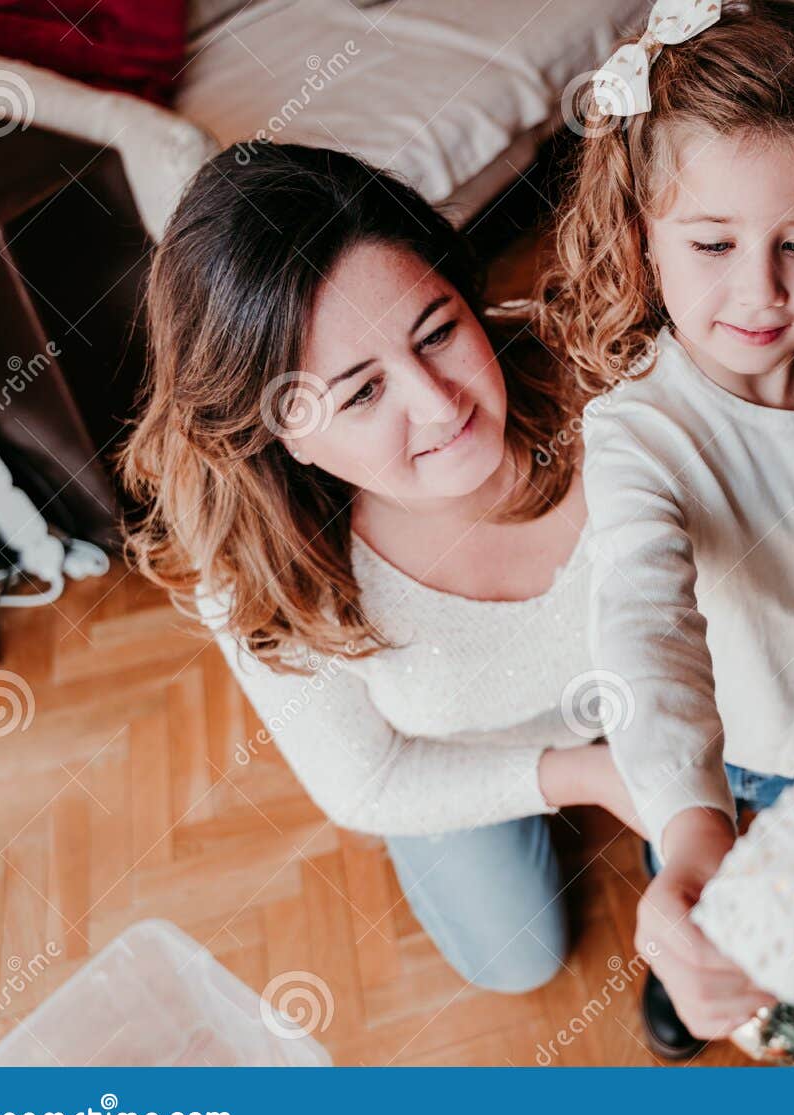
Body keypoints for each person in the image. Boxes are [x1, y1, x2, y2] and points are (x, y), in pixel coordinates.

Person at [538, 0, 794, 1057]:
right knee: (709, 905)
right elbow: (644, 618)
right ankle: (683, 992)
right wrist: (687, 824)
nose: (761, 290)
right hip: (720, 758)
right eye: (714, 242)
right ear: (642, 233)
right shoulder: (640, 430)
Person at [121, 143, 639, 998]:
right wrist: (586, 774)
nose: (441, 406)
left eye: (438, 331)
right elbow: (367, 779)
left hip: (654, 680)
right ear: (275, 429)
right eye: (361, 393)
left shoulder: (602, 381)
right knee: (516, 959)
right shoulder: (255, 567)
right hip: (461, 746)